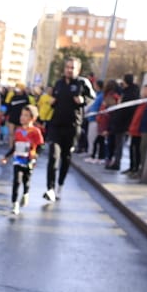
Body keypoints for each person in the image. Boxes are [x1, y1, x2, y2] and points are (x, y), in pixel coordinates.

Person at [43, 58, 94, 200]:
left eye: (72, 68)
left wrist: (83, 101)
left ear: (78, 70)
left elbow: (92, 98)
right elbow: (55, 101)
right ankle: (50, 189)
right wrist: (52, 102)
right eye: (67, 67)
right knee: (53, 156)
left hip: (72, 126)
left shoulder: (82, 83)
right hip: (56, 125)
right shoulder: (58, 84)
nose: (69, 70)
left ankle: (60, 185)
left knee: (66, 158)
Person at [1, 105, 43, 216]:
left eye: (26, 115)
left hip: (28, 160)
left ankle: (25, 193)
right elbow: (15, 146)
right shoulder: (18, 130)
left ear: (32, 118)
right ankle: (15, 204)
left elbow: (40, 146)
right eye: (22, 115)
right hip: (18, 159)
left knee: (26, 180)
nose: (22, 117)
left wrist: (35, 155)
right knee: (16, 180)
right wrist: (6, 156)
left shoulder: (35, 131)